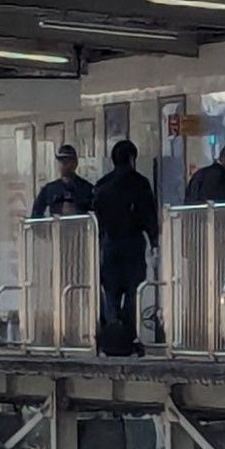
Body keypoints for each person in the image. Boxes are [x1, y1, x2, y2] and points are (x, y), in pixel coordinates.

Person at [92, 138, 160, 331]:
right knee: (133, 290)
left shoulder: (102, 185)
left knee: (111, 290)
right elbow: (149, 215)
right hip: (133, 243)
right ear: (132, 158)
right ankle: (129, 332)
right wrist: (154, 241)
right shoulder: (140, 184)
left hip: (109, 243)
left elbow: (96, 217)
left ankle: (113, 329)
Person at [30, 143, 94, 218]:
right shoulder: (49, 189)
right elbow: (36, 215)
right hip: (56, 228)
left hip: (81, 228)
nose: (63, 164)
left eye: (67, 161)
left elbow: (97, 213)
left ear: (75, 163)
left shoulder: (86, 189)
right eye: (61, 161)